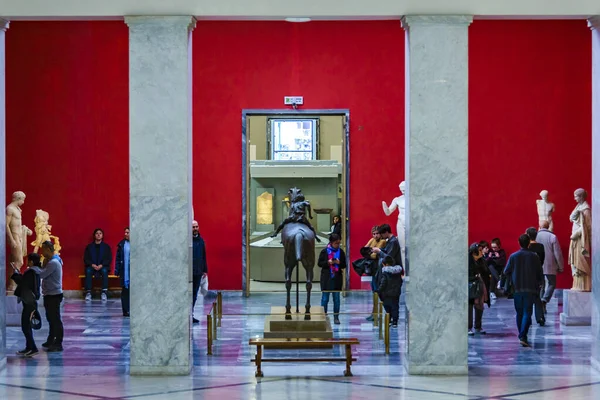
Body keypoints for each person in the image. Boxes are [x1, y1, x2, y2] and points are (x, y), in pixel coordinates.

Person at [503, 234, 544, 347]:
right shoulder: (534, 256)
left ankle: (522, 335)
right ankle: (522, 335)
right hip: (531, 288)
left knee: (519, 313)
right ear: (529, 243)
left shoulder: (513, 256)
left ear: (518, 242)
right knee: (527, 312)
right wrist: (540, 283)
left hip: (517, 288)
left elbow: (506, 271)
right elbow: (540, 272)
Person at [31, 241, 64, 352]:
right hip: (49, 294)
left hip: (54, 294)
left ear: (49, 249)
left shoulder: (54, 262)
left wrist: (33, 268)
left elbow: (42, 274)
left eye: (43, 249)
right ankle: (51, 339)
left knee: (55, 319)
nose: (42, 252)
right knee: (50, 318)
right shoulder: (50, 261)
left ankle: (58, 343)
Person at [11, 253, 42, 357]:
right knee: (26, 325)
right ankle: (29, 347)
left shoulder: (31, 272)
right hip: (30, 301)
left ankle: (33, 348)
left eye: (28, 261)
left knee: (25, 326)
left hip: (29, 302)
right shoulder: (36, 271)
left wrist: (15, 274)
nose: (27, 263)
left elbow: (23, 283)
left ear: (32, 262)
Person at [318, 233, 347, 324]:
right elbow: (319, 263)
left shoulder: (341, 252)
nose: (338, 245)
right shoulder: (324, 251)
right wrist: (328, 262)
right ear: (331, 242)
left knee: (336, 299)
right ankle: (324, 316)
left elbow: (344, 265)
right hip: (327, 279)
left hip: (336, 279)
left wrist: (338, 263)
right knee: (325, 299)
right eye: (336, 243)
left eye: (339, 243)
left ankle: (336, 317)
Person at [536, 220, 564, 306]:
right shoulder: (552, 237)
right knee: (552, 283)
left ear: (540, 226)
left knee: (541, 285)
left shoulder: (535, 236)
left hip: (538, 264)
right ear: (548, 227)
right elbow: (557, 253)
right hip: (550, 264)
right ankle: (544, 300)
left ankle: (540, 302)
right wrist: (560, 266)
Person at [83, 228, 113, 302]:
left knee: (104, 271)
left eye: (100, 233)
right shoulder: (89, 247)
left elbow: (109, 258)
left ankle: (104, 292)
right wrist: (92, 264)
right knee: (88, 271)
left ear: (102, 236)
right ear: (94, 235)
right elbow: (86, 258)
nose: (98, 235)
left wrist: (102, 265)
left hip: (103, 266)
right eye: (97, 233)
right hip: (91, 266)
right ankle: (88, 292)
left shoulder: (106, 247)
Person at [526, 227, 546, 326]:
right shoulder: (541, 246)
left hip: (527, 273)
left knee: (528, 297)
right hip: (538, 272)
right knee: (537, 296)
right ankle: (540, 317)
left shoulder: (527, 247)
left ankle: (527, 317)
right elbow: (542, 259)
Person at [468, 243, 489, 336]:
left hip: (480, 286)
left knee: (479, 306)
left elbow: (486, 272)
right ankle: (468, 327)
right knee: (469, 307)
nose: (481, 252)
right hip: (470, 286)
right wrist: (475, 277)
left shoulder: (482, 261)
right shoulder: (468, 261)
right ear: (473, 252)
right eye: (479, 250)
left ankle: (478, 326)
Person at [377, 255, 403, 328]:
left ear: (385, 264)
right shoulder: (398, 272)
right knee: (395, 307)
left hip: (386, 294)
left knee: (387, 308)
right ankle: (395, 321)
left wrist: (379, 290)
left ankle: (389, 320)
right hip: (396, 293)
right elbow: (400, 282)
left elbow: (383, 283)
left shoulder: (385, 273)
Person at [192, 220, 208, 324]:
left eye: (197, 226)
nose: (195, 229)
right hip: (188, 272)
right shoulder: (187, 241)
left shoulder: (201, 241)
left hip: (198, 272)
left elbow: (203, 256)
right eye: (193, 227)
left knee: (195, 294)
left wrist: (204, 270)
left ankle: (191, 313)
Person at [115, 227, 131, 317]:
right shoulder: (122, 244)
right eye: (125, 232)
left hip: (133, 271)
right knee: (125, 291)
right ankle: (126, 310)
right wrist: (117, 270)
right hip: (125, 271)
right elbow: (118, 258)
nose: (126, 234)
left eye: (128, 232)